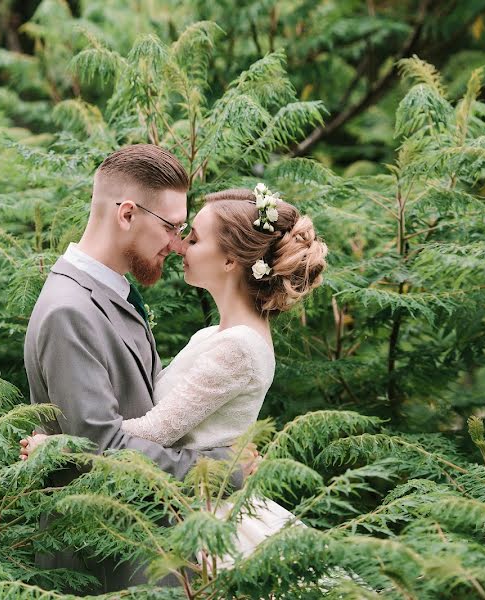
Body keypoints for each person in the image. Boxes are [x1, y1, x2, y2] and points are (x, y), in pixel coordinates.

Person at [23, 183, 329, 573]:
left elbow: (155, 427)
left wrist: (62, 447)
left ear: (231, 260)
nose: (180, 246)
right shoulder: (212, 336)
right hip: (178, 506)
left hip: (202, 518)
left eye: (194, 238)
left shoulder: (238, 347)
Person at [22, 144, 258, 594]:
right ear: (127, 214)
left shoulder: (112, 291)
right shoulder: (69, 310)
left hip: (142, 547)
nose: (177, 242)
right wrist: (222, 470)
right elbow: (102, 449)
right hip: (107, 561)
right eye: (171, 226)